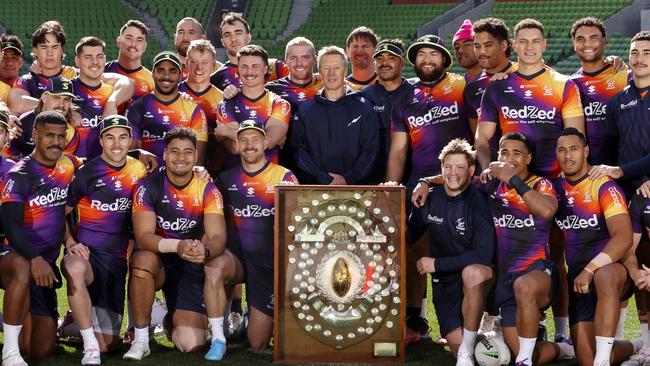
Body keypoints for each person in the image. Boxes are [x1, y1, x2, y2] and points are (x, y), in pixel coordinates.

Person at [386, 35, 472, 340]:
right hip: (418, 187)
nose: (426, 60)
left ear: (444, 60)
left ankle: (467, 322)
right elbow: (398, 150)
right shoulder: (405, 98)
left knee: (459, 254)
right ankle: (416, 319)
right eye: (421, 55)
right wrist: (394, 187)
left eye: (432, 54)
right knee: (413, 251)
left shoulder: (462, 86)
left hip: (458, 184)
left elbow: (477, 133)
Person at [123, 127, 227, 360]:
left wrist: (205, 250)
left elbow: (218, 236)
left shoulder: (207, 187)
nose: (181, 158)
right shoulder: (147, 186)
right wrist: (176, 246)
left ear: (196, 156)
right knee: (142, 260)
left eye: (188, 152)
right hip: (158, 259)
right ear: (165, 154)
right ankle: (141, 339)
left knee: (191, 345)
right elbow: (144, 237)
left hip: (189, 264)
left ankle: (167, 319)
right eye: (175, 151)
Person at [63, 115, 147, 365]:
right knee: (73, 266)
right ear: (101, 140)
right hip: (88, 256)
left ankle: (73, 326)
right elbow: (59, 213)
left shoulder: (140, 170)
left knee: (109, 345)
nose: (116, 143)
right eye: (109, 137)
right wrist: (69, 243)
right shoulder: (86, 173)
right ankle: (89, 346)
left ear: (130, 139)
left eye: (122, 137)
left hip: (117, 259)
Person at [210, 120, 297, 360]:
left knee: (257, 343)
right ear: (236, 144)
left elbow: (295, 225)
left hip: (267, 263)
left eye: (255, 139)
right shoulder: (225, 180)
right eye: (244, 140)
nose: (249, 145)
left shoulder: (284, 177)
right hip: (237, 259)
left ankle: (252, 317)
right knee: (215, 266)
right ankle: (220, 331)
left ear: (266, 143)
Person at [0, 111, 82, 365]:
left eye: (61, 136)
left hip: (45, 266)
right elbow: (11, 227)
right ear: (35, 135)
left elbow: (103, 162)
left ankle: (11, 321)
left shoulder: (67, 165)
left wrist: (139, 155)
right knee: (23, 267)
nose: (56, 141)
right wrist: (35, 258)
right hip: (14, 257)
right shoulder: (19, 175)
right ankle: (10, 353)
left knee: (40, 349)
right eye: (50, 136)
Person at [554, 128, 639, 365]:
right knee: (584, 359)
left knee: (604, 276)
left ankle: (603, 360)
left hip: (610, 270)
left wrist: (590, 269)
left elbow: (623, 238)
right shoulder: (556, 189)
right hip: (578, 279)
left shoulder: (603, 186)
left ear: (586, 151)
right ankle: (636, 346)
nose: (568, 155)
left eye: (574, 149)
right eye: (562, 150)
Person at [407, 138, 495, 366]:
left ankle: (482, 330)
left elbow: (484, 255)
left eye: (460, 167)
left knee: (472, 273)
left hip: (478, 276)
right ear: (441, 168)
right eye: (448, 167)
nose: (453, 173)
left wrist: (436, 264)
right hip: (445, 283)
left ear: (472, 170)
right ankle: (490, 340)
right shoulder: (430, 199)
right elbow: (408, 236)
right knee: (459, 345)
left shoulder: (479, 202)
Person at [475, 18, 585, 178]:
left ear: (544, 44)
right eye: (524, 41)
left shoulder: (564, 84)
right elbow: (482, 137)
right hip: (512, 178)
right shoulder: (497, 86)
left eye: (535, 41)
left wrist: (569, 170)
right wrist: (486, 167)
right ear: (515, 45)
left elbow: (576, 136)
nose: (529, 47)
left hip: (554, 178)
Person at [291, 45, 379, 185]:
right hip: (317, 190)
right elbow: (298, 152)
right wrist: (324, 178)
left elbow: (371, 150)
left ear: (345, 70)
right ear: (319, 72)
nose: (331, 73)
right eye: (326, 68)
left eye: (337, 68)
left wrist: (348, 179)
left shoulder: (364, 107)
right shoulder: (305, 110)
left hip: (358, 191)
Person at [214, 45, 290, 170]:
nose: (249, 72)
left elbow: (269, 141)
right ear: (238, 69)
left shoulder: (279, 104)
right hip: (233, 182)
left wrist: (225, 132)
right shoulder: (226, 105)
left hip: (270, 180)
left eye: (255, 66)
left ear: (265, 69)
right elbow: (234, 148)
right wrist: (263, 138)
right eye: (244, 67)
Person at [128, 51, 208, 165]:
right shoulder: (139, 107)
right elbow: (133, 153)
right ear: (153, 74)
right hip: (148, 177)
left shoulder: (194, 110)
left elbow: (197, 160)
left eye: (172, 71)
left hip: (180, 179)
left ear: (180, 75)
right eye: (161, 71)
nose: (166, 76)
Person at [71, 36, 134, 159]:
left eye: (99, 57)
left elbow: (130, 83)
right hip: (71, 165)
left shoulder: (112, 91)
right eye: (88, 57)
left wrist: (111, 103)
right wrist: (68, 109)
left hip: (103, 166)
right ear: (78, 61)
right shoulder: (67, 88)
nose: (95, 62)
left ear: (105, 59)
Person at [361, 39, 414, 184]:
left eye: (391, 58)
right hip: (371, 178)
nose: (385, 63)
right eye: (380, 58)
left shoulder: (414, 94)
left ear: (402, 63)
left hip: (410, 177)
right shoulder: (364, 97)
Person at [8, 21, 78, 114]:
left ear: (62, 50)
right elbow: (16, 104)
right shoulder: (27, 80)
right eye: (44, 47)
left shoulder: (76, 75)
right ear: (35, 51)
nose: (49, 53)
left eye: (55, 47)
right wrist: (64, 109)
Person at [178, 40, 224, 175]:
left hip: (216, 170)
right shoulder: (173, 95)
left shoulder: (223, 99)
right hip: (178, 169)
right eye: (194, 62)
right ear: (186, 62)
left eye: (204, 63)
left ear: (213, 65)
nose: (199, 68)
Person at [5, 76, 79, 160]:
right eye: (56, 98)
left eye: (67, 99)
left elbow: (62, 165)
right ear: (44, 97)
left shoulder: (71, 132)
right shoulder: (23, 122)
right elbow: (8, 158)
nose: (61, 104)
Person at [210, 12, 288, 90]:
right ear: (223, 42)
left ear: (248, 37)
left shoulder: (274, 67)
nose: (233, 39)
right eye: (227, 35)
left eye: (238, 33)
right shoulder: (215, 80)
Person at [105, 20, 154, 107]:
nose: (133, 44)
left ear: (145, 46)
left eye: (139, 40)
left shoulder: (152, 81)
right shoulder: (103, 72)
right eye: (129, 38)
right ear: (118, 41)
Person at [345, 26, 378, 90]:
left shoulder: (387, 85)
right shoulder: (341, 88)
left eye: (365, 46)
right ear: (347, 51)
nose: (360, 51)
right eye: (355, 46)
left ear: (376, 51)